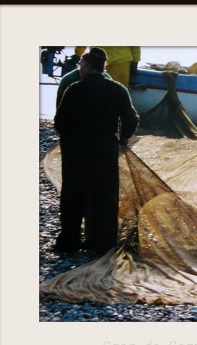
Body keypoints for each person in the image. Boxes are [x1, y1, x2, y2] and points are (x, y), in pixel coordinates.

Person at [53, 47, 139, 254]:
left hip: (76, 150)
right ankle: (103, 242)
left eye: (80, 65)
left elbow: (59, 122)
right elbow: (131, 118)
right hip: (104, 148)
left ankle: (70, 241)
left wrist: (71, 137)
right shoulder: (118, 89)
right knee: (105, 195)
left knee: (73, 194)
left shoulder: (74, 89)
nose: (79, 68)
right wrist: (124, 137)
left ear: (87, 67)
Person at [74, 46, 141, 88]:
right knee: (118, 91)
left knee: (118, 91)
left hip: (119, 61)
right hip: (99, 60)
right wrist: (136, 60)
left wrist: (135, 61)